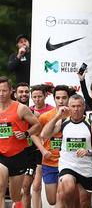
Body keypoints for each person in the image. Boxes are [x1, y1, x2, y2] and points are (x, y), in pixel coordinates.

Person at [42, 94, 92, 208]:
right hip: (67, 165)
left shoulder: (91, 124)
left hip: (85, 167)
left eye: (79, 106)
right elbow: (44, 135)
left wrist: (88, 152)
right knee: (68, 187)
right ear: (68, 107)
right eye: (73, 106)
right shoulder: (63, 122)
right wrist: (57, 117)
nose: (76, 109)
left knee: (84, 202)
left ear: (84, 106)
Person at [0, 77, 42, 207]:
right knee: (0, 187)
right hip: (1, 154)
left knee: (15, 196)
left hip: (18, 156)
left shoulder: (21, 108)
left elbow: (37, 126)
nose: (1, 93)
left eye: (4, 90)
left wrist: (25, 134)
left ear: (11, 91)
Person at [37, 85, 72, 206]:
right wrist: (58, 116)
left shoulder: (74, 115)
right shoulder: (45, 116)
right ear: (54, 98)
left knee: (62, 197)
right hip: (49, 162)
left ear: (69, 98)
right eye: (58, 98)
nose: (61, 101)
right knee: (52, 200)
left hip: (68, 163)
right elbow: (41, 135)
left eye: (64, 97)